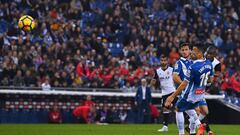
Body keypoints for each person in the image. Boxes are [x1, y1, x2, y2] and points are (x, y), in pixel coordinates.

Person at [165, 44, 214, 135]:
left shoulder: (193, 65)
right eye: (182, 50)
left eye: (188, 50)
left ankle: (184, 132)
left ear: (198, 53)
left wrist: (172, 96)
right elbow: (210, 80)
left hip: (189, 92)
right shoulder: (208, 63)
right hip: (199, 93)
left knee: (179, 109)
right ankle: (194, 130)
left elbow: (185, 83)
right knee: (196, 111)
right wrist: (203, 85)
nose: (187, 52)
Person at [197, 45, 221, 135]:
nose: (208, 55)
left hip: (205, 86)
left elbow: (217, 75)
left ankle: (195, 126)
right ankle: (207, 130)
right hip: (198, 85)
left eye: (210, 54)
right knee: (203, 111)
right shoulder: (201, 59)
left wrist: (209, 75)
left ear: (214, 55)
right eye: (207, 53)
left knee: (203, 111)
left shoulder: (217, 63)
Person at [173, 42, 193, 133]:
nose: (185, 52)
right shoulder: (179, 63)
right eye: (183, 50)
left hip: (194, 91)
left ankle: (190, 130)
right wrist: (184, 85)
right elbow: (175, 76)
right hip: (184, 91)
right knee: (180, 109)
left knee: (196, 113)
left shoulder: (193, 62)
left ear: (190, 51)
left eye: (186, 49)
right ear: (180, 51)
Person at [155, 54, 177, 132]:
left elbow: (177, 79)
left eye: (164, 60)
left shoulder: (172, 70)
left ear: (167, 61)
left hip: (172, 92)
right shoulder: (157, 71)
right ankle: (165, 126)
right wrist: (152, 82)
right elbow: (154, 80)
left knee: (179, 108)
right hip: (164, 93)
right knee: (165, 109)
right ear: (160, 61)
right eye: (162, 60)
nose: (163, 62)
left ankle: (194, 122)